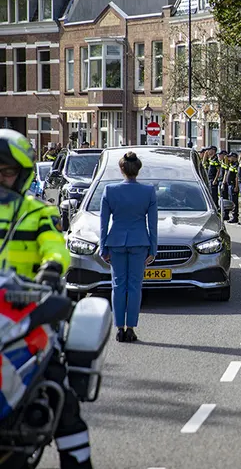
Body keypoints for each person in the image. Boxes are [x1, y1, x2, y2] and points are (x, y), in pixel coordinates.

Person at [0, 129, 93, 469]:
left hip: (25, 311)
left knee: (58, 391)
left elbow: (55, 244)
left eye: (6, 172)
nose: (0, 180)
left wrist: (52, 268)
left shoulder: (37, 211)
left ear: (22, 175)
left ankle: (77, 463)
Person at [99, 151, 158, 344]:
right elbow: (153, 224)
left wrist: (103, 246)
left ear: (121, 169)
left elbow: (104, 222)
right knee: (134, 287)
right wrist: (153, 248)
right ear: (138, 170)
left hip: (115, 242)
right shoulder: (148, 191)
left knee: (117, 285)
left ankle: (119, 328)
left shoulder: (110, 190)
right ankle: (131, 328)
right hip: (139, 242)